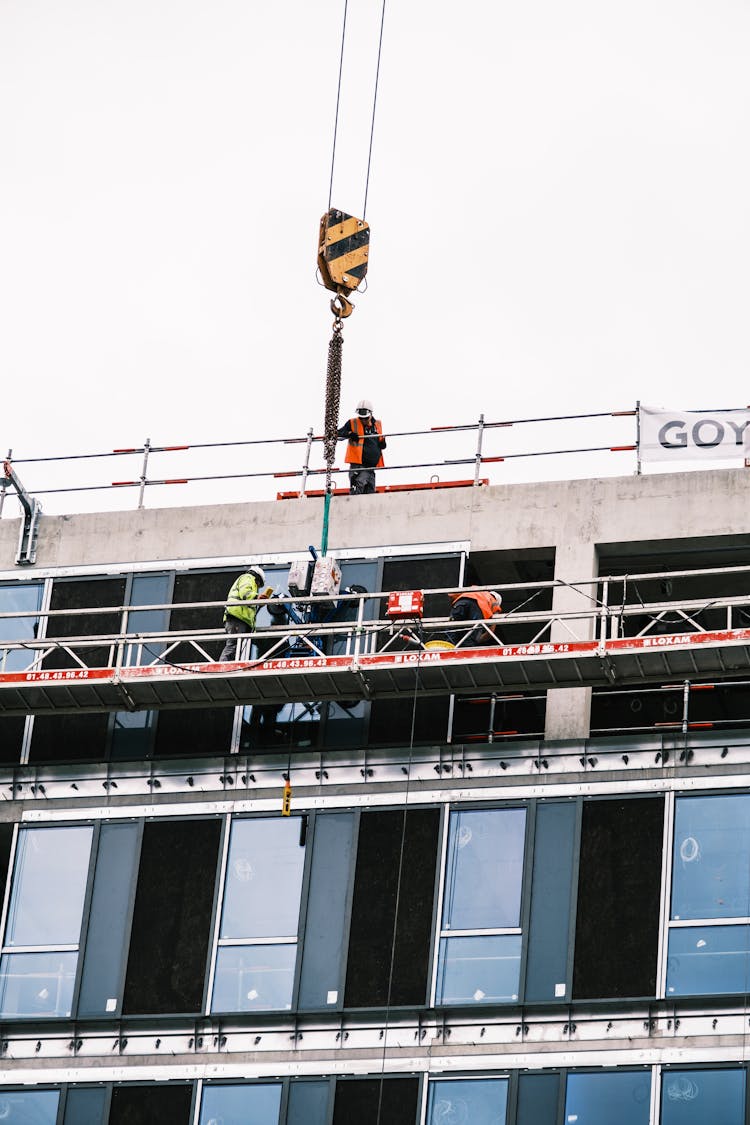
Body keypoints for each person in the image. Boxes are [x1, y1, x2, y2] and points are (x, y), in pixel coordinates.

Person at [425, 588, 503, 651]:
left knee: (452, 630)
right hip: (477, 609)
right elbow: (490, 632)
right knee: (471, 636)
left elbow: (451, 594)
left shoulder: (475, 589)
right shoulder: (494, 601)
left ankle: (448, 649)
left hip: (460, 603)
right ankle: (466, 652)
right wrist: (476, 639)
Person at [337, 399, 386, 494]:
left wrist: (383, 443)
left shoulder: (377, 424)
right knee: (357, 490)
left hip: (371, 468)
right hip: (358, 467)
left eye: (366, 418)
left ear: (371, 414)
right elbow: (338, 433)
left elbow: (381, 442)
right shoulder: (352, 423)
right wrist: (349, 433)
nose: (363, 420)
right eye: (361, 418)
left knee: (370, 494)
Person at [219, 564, 267, 662]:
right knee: (233, 646)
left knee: (236, 648)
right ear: (257, 577)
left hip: (239, 618)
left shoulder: (248, 580)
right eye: (258, 584)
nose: (257, 587)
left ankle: (228, 666)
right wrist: (256, 597)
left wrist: (258, 603)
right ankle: (222, 666)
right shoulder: (248, 578)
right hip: (237, 618)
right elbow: (245, 593)